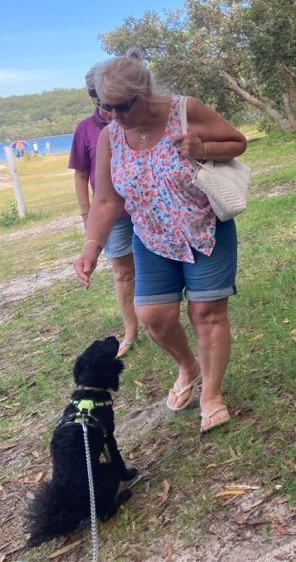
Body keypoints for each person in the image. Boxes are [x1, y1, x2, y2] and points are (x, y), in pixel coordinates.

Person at [74, 50, 247, 435]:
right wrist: (91, 246)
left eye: (122, 106)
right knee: (154, 316)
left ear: (145, 93)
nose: (115, 116)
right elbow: (107, 200)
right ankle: (189, 366)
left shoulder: (185, 110)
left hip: (204, 229)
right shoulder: (109, 136)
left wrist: (203, 149)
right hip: (151, 237)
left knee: (207, 312)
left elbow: (237, 142)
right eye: (106, 107)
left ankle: (211, 394)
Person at [69, 67, 139, 357]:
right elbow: (81, 174)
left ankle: (161, 319)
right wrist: (88, 216)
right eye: (101, 97)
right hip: (114, 217)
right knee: (123, 272)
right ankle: (131, 331)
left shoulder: (136, 117)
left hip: (146, 207)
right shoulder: (85, 129)